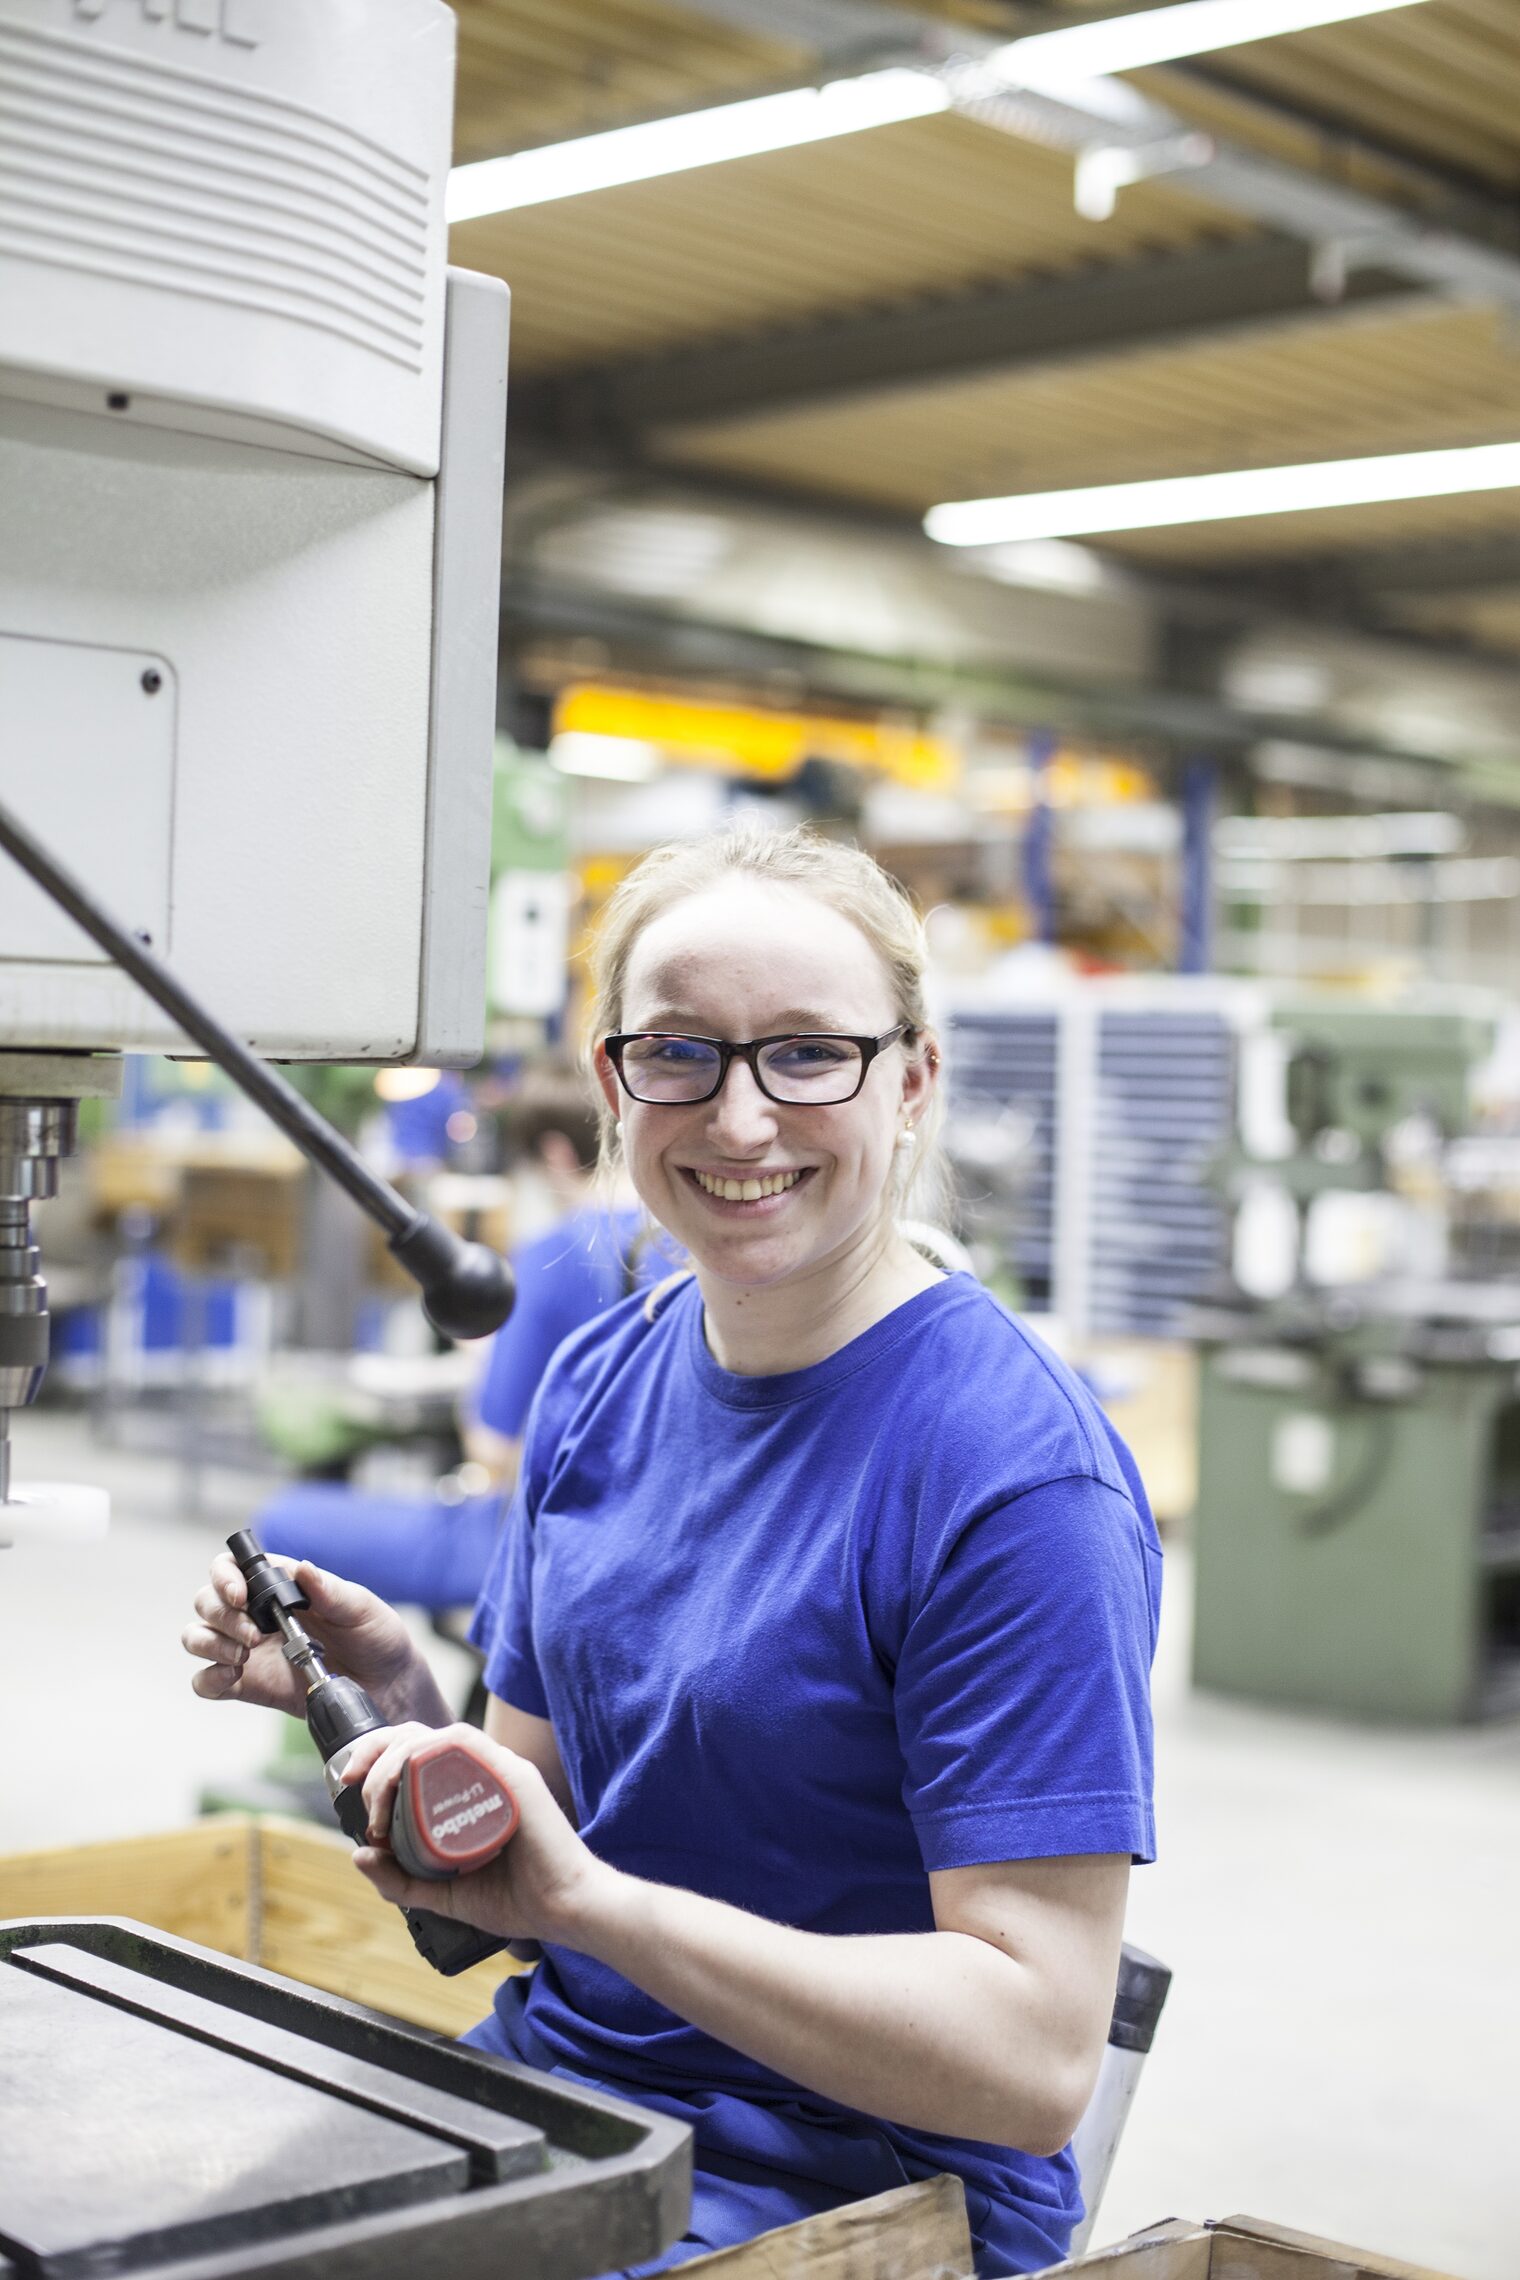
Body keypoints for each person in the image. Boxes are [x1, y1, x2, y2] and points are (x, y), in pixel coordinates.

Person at [183, 823, 1160, 2276]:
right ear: (612, 1085)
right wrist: (390, 1707)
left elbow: (1029, 2061)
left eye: (807, 1053)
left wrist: (600, 1912)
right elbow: (537, 1871)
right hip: (566, 2096)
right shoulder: (599, 1378)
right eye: (683, 1052)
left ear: (912, 1082)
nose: (741, 1118)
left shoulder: (1011, 1478)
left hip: (857, 2179)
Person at [255, 1063, 678, 1611]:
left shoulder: (556, 1254)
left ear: (553, 1155)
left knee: (284, 1523)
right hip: (649, 1544)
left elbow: (492, 1452)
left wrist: (483, 1358)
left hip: (536, 1544)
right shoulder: (677, 1249)